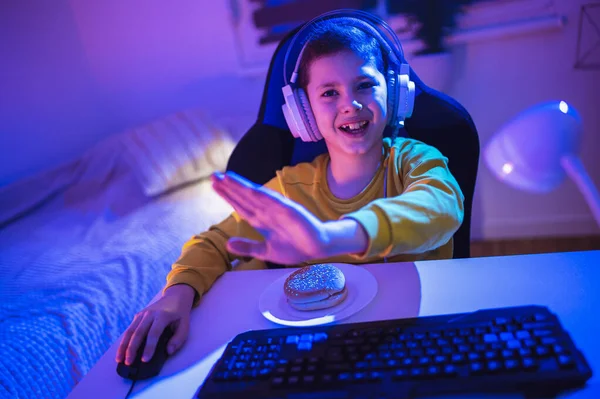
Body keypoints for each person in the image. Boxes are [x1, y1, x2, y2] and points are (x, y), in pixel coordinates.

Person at [115, 13, 465, 367]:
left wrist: (333, 238)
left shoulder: (414, 162)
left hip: (414, 338)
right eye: (329, 92)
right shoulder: (290, 187)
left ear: (394, 91)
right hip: (325, 352)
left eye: (365, 85)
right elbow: (213, 243)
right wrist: (177, 293)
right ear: (304, 113)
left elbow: (441, 208)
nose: (350, 103)